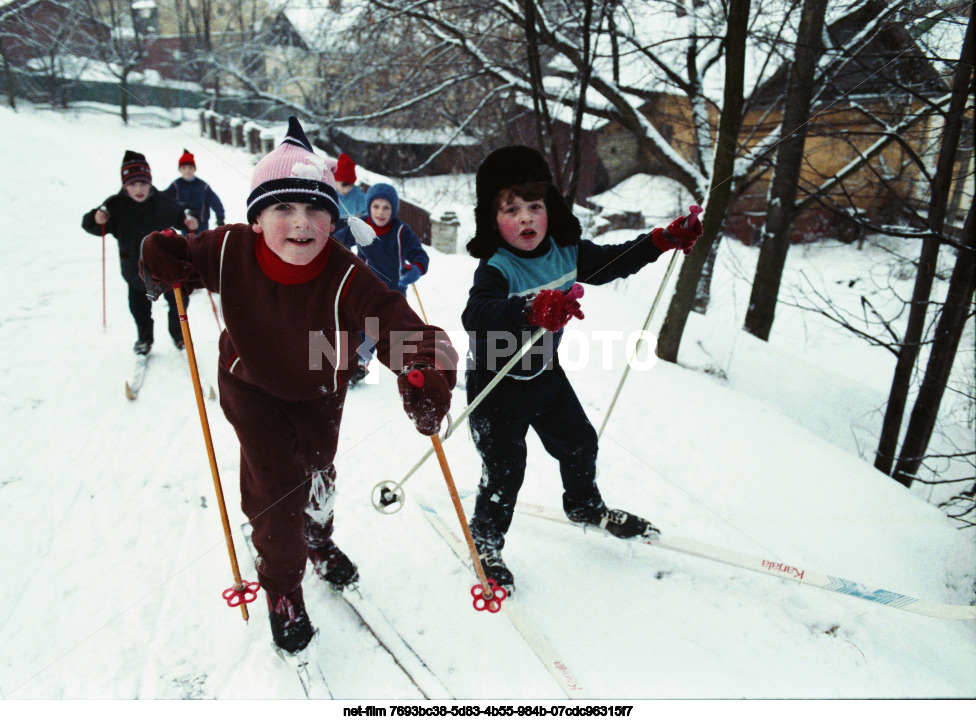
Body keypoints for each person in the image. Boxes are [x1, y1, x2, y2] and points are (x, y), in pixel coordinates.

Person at [140, 117, 458, 655]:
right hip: (250, 385)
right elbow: (179, 257)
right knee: (276, 490)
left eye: (316, 209)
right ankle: (283, 585)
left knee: (317, 475)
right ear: (258, 218)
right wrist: (161, 253)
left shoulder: (343, 273)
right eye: (283, 207)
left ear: (333, 220)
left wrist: (425, 368)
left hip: (318, 388)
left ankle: (319, 537)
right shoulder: (229, 249)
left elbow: (401, 325)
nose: (302, 222)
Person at [460, 145, 702, 594]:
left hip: (545, 375)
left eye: (535, 206)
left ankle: (584, 506)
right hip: (497, 385)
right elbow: (476, 315)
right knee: (506, 470)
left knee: (579, 443)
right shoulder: (497, 268)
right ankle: (486, 541)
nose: (527, 218)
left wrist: (661, 239)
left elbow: (613, 261)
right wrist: (530, 306)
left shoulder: (565, 253)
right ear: (493, 219)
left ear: (550, 207)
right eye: (512, 209)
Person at [82, 150, 199, 354]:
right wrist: (96, 218)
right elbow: (92, 225)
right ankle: (144, 339)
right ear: (124, 184)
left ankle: (178, 335)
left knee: (179, 304)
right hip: (135, 272)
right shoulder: (114, 205)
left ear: (150, 182)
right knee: (139, 310)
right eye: (132, 184)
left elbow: (182, 212)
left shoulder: (162, 201)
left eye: (143, 183)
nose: (138, 189)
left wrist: (190, 218)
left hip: (166, 270)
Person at [334, 182, 430, 384]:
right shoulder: (360, 225)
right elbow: (337, 242)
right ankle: (359, 363)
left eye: (386, 207)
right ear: (369, 206)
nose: (380, 212)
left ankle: (410, 364)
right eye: (376, 206)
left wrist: (414, 270)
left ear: (393, 209)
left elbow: (420, 256)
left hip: (394, 290)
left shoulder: (400, 231)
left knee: (393, 330)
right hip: (365, 290)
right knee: (365, 328)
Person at [163, 149, 226, 231]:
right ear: (180, 169)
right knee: (187, 243)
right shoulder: (176, 185)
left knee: (202, 243)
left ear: (194, 169)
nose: (187, 170)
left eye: (190, 167)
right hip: (185, 224)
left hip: (202, 226)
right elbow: (165, 200)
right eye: (184, 168)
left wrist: (220, 218)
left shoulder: (203, 186)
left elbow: (215, 202)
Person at [332, 152, 367, 230]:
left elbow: (366, 211)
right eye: (344, 185)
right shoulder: (331, 193)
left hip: (351, 228)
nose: (347, 189)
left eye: (351, 186)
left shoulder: (357, 193)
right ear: (335, 180)